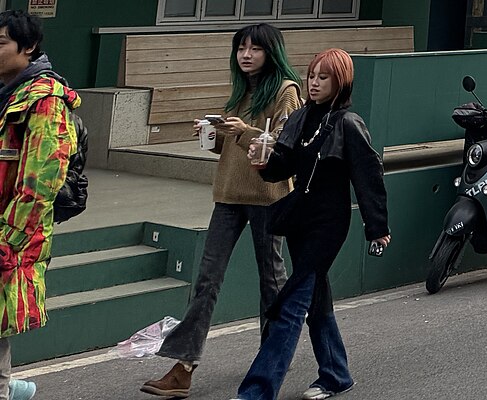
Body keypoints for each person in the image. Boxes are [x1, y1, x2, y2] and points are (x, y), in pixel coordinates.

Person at [142, 25, 303, 397]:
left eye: (255, 49)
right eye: (241, 49)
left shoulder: (286, 91)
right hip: (228, 195)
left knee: (271, 280)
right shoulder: (241, 91)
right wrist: (214, 137)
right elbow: (234, 151)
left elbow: (282, 147)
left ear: (271, 52)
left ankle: (273, 352)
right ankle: (183, 366)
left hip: (269, 196)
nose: (246, 55)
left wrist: (243, 130)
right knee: (207, 279)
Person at [233, 50, 388, 400]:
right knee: (316, 300)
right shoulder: (301, 117)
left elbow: (368, 177)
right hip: (300, 219)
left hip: (329, 224)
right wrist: (264, 162)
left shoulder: (349, 124)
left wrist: (377, 227)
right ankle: (336, 374)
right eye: (312, 76)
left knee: (291, 304)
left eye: (324, 77)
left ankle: (256, 392)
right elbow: (283, 166)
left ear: (341, 81)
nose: (314, 83)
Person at [0, 11, 78, 400]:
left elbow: (40, 182)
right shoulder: (5, 93)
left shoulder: (45, 101)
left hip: (9, 236)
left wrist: (7, 238)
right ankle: (15, 389)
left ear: (28, 48)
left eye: (0, 43)